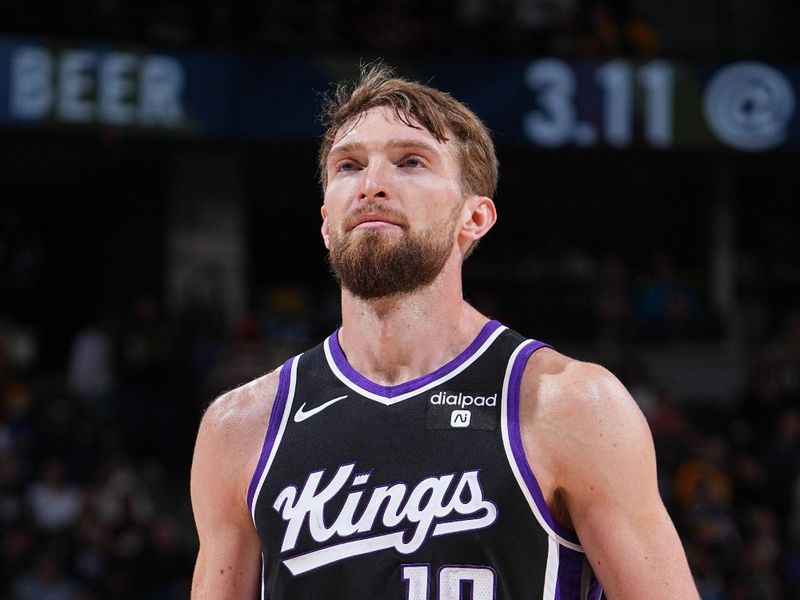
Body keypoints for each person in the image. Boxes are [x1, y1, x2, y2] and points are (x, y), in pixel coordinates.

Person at [190, 63, 700, 600]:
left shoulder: (570, 405)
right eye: (349, 166)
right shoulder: (241, 428)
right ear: (325, 220)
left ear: (473, 218)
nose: (372, 185)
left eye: (410, 161)